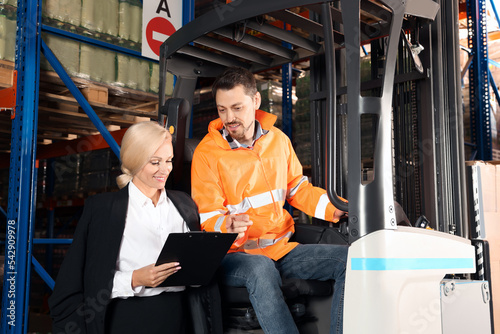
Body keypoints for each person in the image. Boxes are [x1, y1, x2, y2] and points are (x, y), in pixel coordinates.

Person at [191, 67, 348, 334]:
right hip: (235, 256)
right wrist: (226, 225)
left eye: (237, 108)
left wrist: (340, 209)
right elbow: (207, 216)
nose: (229, 118)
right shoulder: (207, 154)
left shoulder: (278, 141)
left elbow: (297, 189)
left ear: (255, 102)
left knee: (351, 259)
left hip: (279, 249)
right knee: (261, 269)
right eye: (222, 110)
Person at [49, 121, 222, 334]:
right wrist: (134, 279)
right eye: (155, 162)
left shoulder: (184, 204)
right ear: (135, 160)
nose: (165, 170)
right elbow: (85, 280)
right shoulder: (103, 209)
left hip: (180, 316)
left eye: (169, 161)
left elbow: (198, 270)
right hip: (128, 318)